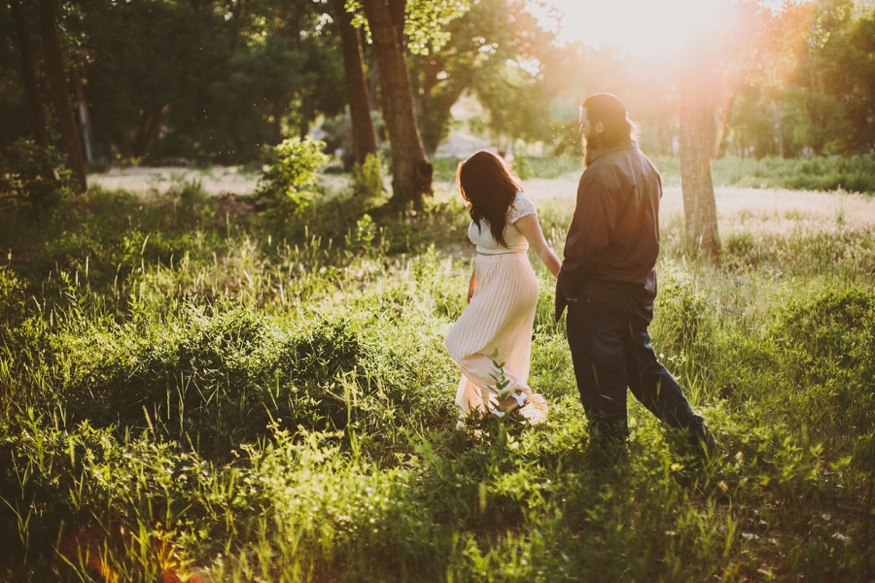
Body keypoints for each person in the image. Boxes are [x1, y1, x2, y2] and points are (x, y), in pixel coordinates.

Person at [556, 93, 718, 454]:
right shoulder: (645, 165)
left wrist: (567, 291)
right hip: (635, 290)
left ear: (599, 126)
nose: (580, 127)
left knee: (602, 379)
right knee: (644, 372)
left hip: (599, 298)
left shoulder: (600, 174)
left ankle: (611, 453)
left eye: (584, 121)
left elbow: (585, 245)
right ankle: (697, 433)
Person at [445, 150, 561, 424]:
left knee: (458, 343)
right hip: (488, 282)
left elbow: (542, 249)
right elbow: (483, 248)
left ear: (484, 180)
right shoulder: (484, 205)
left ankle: (514, 392)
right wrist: (473, 284)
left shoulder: (518, 204)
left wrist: (567, 285)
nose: (467, 192)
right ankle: (505, 412)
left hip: (512, 282)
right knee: (490, 347)